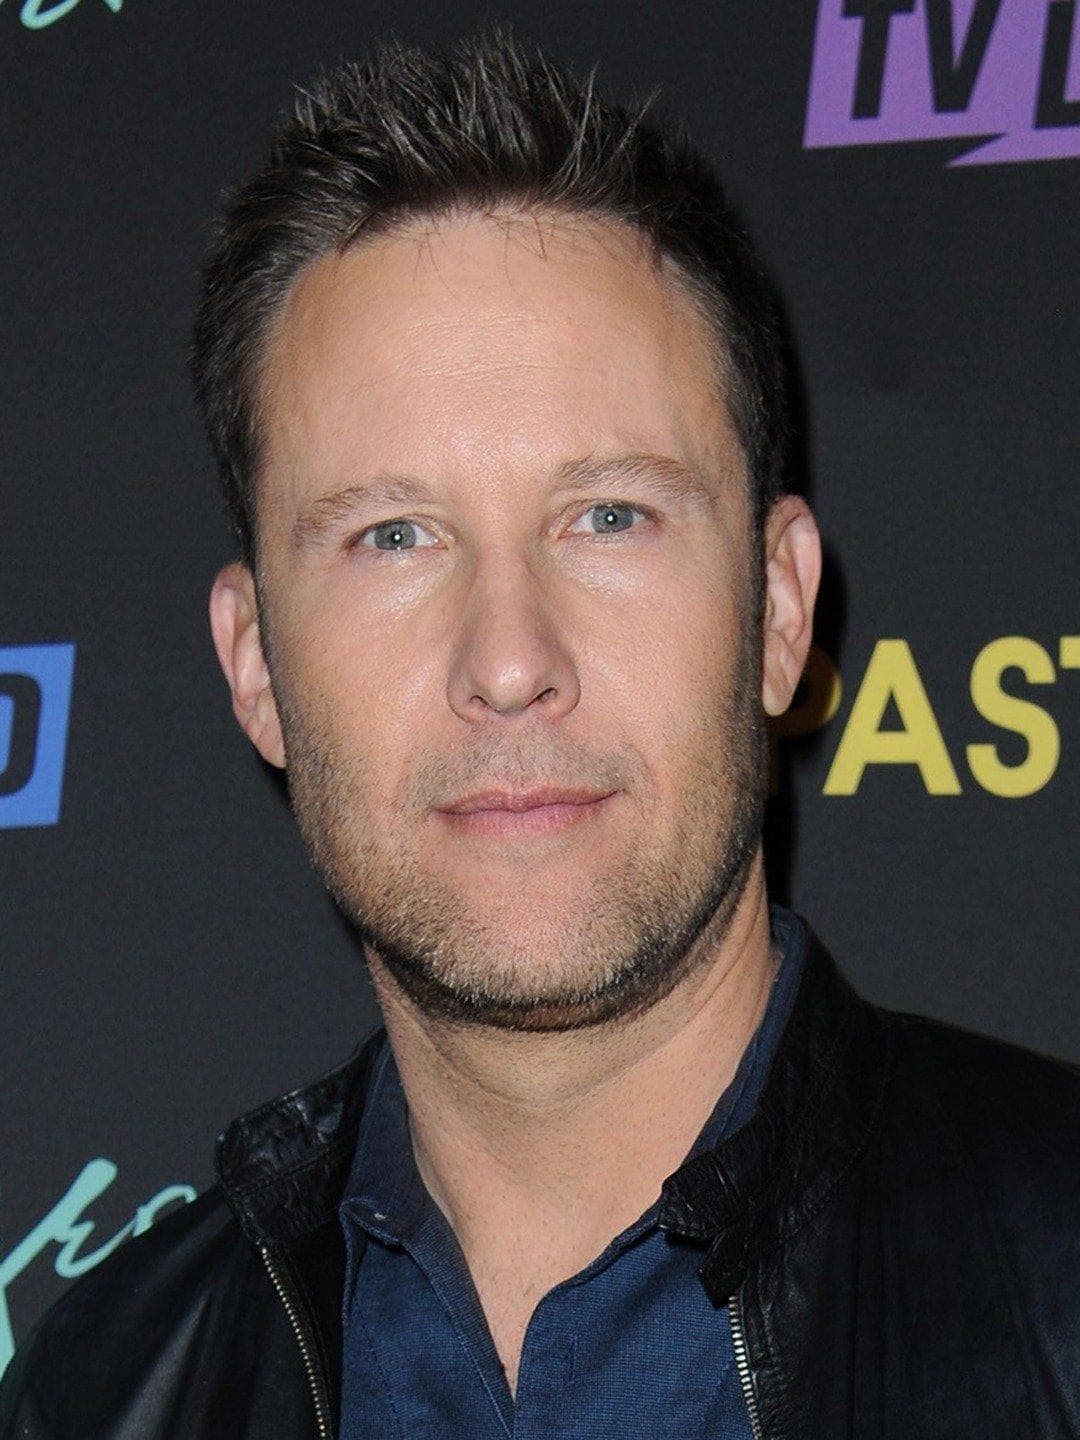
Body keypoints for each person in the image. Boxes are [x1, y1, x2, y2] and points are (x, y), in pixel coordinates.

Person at [3, 28, 1078, 1440]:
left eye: (608, 516)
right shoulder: (99, 1394)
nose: (509, 662)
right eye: (394, 536)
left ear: (777, 607)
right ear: (255, 664)